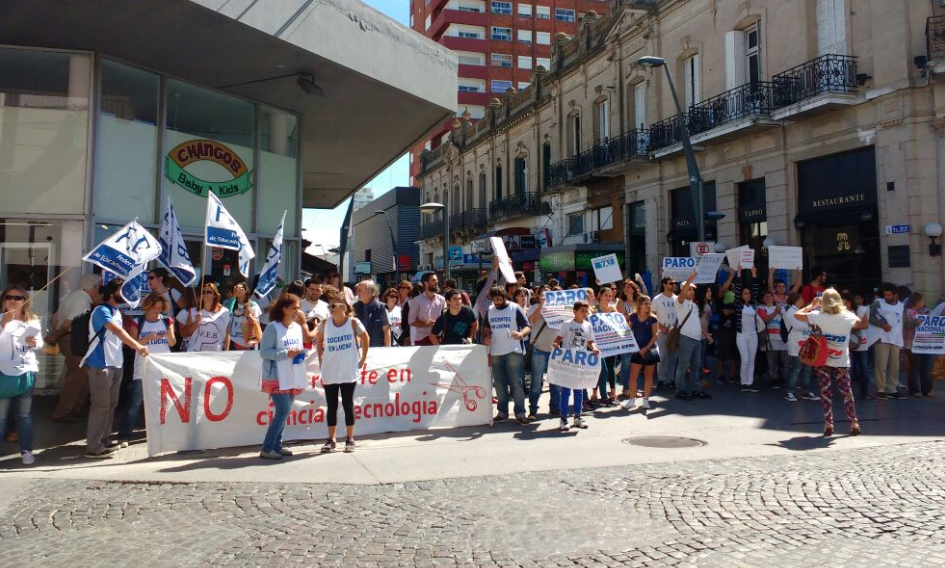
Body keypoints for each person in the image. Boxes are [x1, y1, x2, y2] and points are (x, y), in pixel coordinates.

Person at [81, 278, 149, 458]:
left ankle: (104, 440)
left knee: (111, 405)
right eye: (122, 290)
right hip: (100, 365)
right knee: (100, 406)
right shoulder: (101, 311)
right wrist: (137, 346)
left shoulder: (116, 311)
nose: (126, 294)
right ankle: (93, 446)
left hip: (115, 364)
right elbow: (118, 332)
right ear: (111, 293)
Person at [794, 289, 869, 437]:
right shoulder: (847, 316)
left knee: (825, 391)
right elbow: (862, 324)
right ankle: (853, 422)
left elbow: (797, 315)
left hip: (823, 359)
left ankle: (828, 422)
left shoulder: (818, 316)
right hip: (841, 360)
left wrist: (812, 305)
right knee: (846, 391)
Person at [258, 293, 314, 459]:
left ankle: (277, 445)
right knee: (283, 410)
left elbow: (298, 347)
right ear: (284, 309)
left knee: (285, 411)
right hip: (277, 375)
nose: (298, 311)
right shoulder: (273, 327)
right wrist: (285, 353)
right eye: (294, 308)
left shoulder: (296, 328)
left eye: (298, 308)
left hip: (293, 373)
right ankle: (267, 448)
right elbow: (264, 352)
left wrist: (299, 353)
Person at [118, 292, 176, 447]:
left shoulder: (167, 321)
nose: (156, 311)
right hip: (142, 366)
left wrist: (168, 334)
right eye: (153, 308)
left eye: (159, 308)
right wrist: (148, 338)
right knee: (135, 401)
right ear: (146, 307)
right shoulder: (138, 322)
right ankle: (124, 435)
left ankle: (161, 431)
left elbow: (172, 343)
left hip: (162, 367)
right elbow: (132, 343)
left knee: (162, 401)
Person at [316, 292, 369, 453]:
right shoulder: (325, 323)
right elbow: (319, 340)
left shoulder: (353, 322)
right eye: (329, 306)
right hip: (330, 370)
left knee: (348, 404)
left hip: (348, 369)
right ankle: (331, 439)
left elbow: (365, 338)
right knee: (331, 405)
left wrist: (362, 360)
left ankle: (350, 439)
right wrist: (320, 359)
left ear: (343, 307)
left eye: (333, 306)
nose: (330, 309)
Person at [47, 273, 101, 423]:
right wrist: (55, 336)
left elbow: (55, 317)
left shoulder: (74, 295)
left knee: (82, 375)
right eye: (99, 286)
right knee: (76, 377)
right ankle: (62, 412)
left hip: (71, 339)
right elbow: (66, 324)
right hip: (72, 339)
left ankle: (74, 408)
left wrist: (54, 333)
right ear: (94, 287)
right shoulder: (82, 300)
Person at [0, 287, 44, 464]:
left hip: (26, 371)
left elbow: (39, 343)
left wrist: (34, 343)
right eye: (8, 297)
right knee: (1, 417)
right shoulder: (0, 319)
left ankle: (26, 451)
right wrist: (3, 324)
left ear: (24, 301)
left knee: (24, 415)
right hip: (3, 372)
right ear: (3, 300)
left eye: (17, 298)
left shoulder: (32, 321)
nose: (12, 300)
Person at [483, 286, 531, 425]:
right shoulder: (490, 311)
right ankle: (502, 412)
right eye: (494, 300)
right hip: (496, 352)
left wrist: (521, 334)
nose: (496, 302)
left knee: (516, 384)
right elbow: (485, 328)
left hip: (513, 351)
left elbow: (527, 326)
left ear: (505, 297)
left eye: (499, 299)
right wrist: (486, 336)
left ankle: (520, 413)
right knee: (499, 385)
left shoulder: (515, 308)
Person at [553, 300, 599, 431]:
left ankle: (578, 416)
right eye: (582, 311)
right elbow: (558, 339)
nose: (585, 314)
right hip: (568, 361)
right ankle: (563, 418)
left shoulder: (588, 326)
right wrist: (556, 345)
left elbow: (591, 341)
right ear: (574, 311)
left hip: (580, 361)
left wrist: (595, 348)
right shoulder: (567, 324)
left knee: (579, 390)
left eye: (586, 311)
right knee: (566, 391)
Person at [673, 272, 711, 401]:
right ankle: (680, 390)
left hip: (697, 339)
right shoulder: (679, 302)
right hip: (686, 338)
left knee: (696, 366)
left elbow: (697, 322)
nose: (692, 291)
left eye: (693, 289)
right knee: (683, 366)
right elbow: (682, 294)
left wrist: (705, 334)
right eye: (689, 289)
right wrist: (689, 279)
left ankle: (696, 389)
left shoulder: (694, 305)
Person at [722, 265, 760, 393]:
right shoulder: (738, 305)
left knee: (752, 360)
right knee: (745, 359)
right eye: (745, 293)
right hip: (741, 335)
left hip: (753, 335)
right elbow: (737, 289)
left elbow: (755, 288)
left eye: (748, 293)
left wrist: (754, 273)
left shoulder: (754, 303)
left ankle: (750, 382)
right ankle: (744, 382)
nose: (747, 294)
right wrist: (738, 273)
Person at [527, 288, 559, 419]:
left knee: (556, 382)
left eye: (548, 293)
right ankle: (533, 410)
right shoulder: (533, 307)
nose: (545, 295)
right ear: (538, 295)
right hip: (538, 349)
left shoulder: (558, 308)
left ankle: (555, 408)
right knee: (536, 382)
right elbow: (532, 320)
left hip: (555, 350)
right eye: (543, 293)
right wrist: (541, 304)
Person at [869, 282, 905, 400]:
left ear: (895, 295)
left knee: (895, 365)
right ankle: (880, 389)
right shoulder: (878, 303)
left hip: (896, 338)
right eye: (885, 295)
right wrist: (882, 324)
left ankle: (892, 389)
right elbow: (869, 316)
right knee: (881, 365)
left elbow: (903, 321)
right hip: (882, 338)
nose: (886, 297)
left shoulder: (901, 305)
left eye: (889, 295)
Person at [784, 292, 820, 402]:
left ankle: (806, 391)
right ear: (796, 300)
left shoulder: (802, 311)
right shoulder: (790, 312)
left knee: (807, 368)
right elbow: (797, 326)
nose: (803, 300)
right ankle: (789, 392)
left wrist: (809, 323)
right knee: (797, 367)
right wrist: (809, 323)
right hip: (796, 343)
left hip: (806, 342)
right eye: (801, 298)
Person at [625, 295, 659, 409]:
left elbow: (655, 335)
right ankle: (632, 400)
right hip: (636, 350)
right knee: (633, 376)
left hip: (650, 350)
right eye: (646, 304)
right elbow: (629, 332)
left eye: (649, 304)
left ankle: (646, 400)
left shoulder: (653, 318)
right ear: (640, 305)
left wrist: (646, 348)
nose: (648, 306)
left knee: (649, 376)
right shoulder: (633, 317)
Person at [179, 283, 231, 352]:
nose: (205, 294)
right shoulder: (193, 311)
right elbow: (186, 333)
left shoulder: (225, 312)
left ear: (215, 295)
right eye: (203, 292)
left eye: (209, 292)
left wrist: (226, 352)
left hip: (215, 354)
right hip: (195, 352)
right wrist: (196, 323)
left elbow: (227, 334)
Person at [904, 292, 933, 397]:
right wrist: (915, 322)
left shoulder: (923, 311)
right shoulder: (908, 312)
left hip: (924, 342)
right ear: (917, 301)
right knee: (914, 367)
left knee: (925, 367)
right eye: (922, 300)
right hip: (912, 343)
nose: (923, 303)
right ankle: (914, 390)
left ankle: (926, 390)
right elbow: (907, 326)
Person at [758, 291, 789, 387]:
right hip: (769, 338)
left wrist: (780, 312)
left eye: (770, 296)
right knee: (772, 361)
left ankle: (786, 379)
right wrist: (776, 312)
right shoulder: (761, 308)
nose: (768, 298)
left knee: (786, 361)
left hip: (782, 338)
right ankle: (774, 380)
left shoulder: (781, 308)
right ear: (762, 299)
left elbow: (787, 320)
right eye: (766, 296)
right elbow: (765, 319)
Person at [652, 276, 678, 390]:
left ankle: (670, 380)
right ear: (664, 285)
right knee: (662, 357)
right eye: (671, 283)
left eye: (674, 283)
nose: (673, 285)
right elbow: (651, 315)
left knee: (673, 357)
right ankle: (661, 380)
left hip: (674, 332)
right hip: (662, 332)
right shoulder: (657, 299)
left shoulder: (677, 298)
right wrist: (661, 327)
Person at [594, 286, 618, 406]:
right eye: (606, 295)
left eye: (610, 296)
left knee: (611, 368)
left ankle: (613, 395)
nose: (608, 298)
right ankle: (602, 396)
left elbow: (619, 325)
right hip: (598, 344)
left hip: (611, 342)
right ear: (600, 296)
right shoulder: (594, 309)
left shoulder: (613, 309)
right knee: (603, 370)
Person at [408, 272, 446, 346]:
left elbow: (446, 317)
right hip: (422, 340)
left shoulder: (442, 299)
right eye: (433, 280)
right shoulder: (416, 300)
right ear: (426, 283)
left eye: (436, 280)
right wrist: (425, 324)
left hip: (438, 339)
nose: (436, 282)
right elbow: (411, 321)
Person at [223, 281, 262, 350]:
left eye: (240, 288)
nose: (237, 290)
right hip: (233, 342)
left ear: (245, 291)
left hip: (249, 344)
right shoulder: (228, 302)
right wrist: (233, 297)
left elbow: (256, 326)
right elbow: (226, 314)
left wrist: (249, 316)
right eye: (235, 288)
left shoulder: (254, 305)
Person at [849, 292, 874, 400]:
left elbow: (865, 324)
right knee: (849, 369)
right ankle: (848, 393)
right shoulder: (841, 311)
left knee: (864, 368)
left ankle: (865, 392)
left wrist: (852, 327)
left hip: (860, 342)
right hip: (846, 342)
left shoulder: (862, 309)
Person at [353, 280, 391, 348]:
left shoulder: (381, 308)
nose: (357, 292)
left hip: (377, 350)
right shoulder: (354, 308)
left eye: (360, 290)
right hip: (360, 350)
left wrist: (388, 351)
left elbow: (386, 331)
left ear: (370, 291)